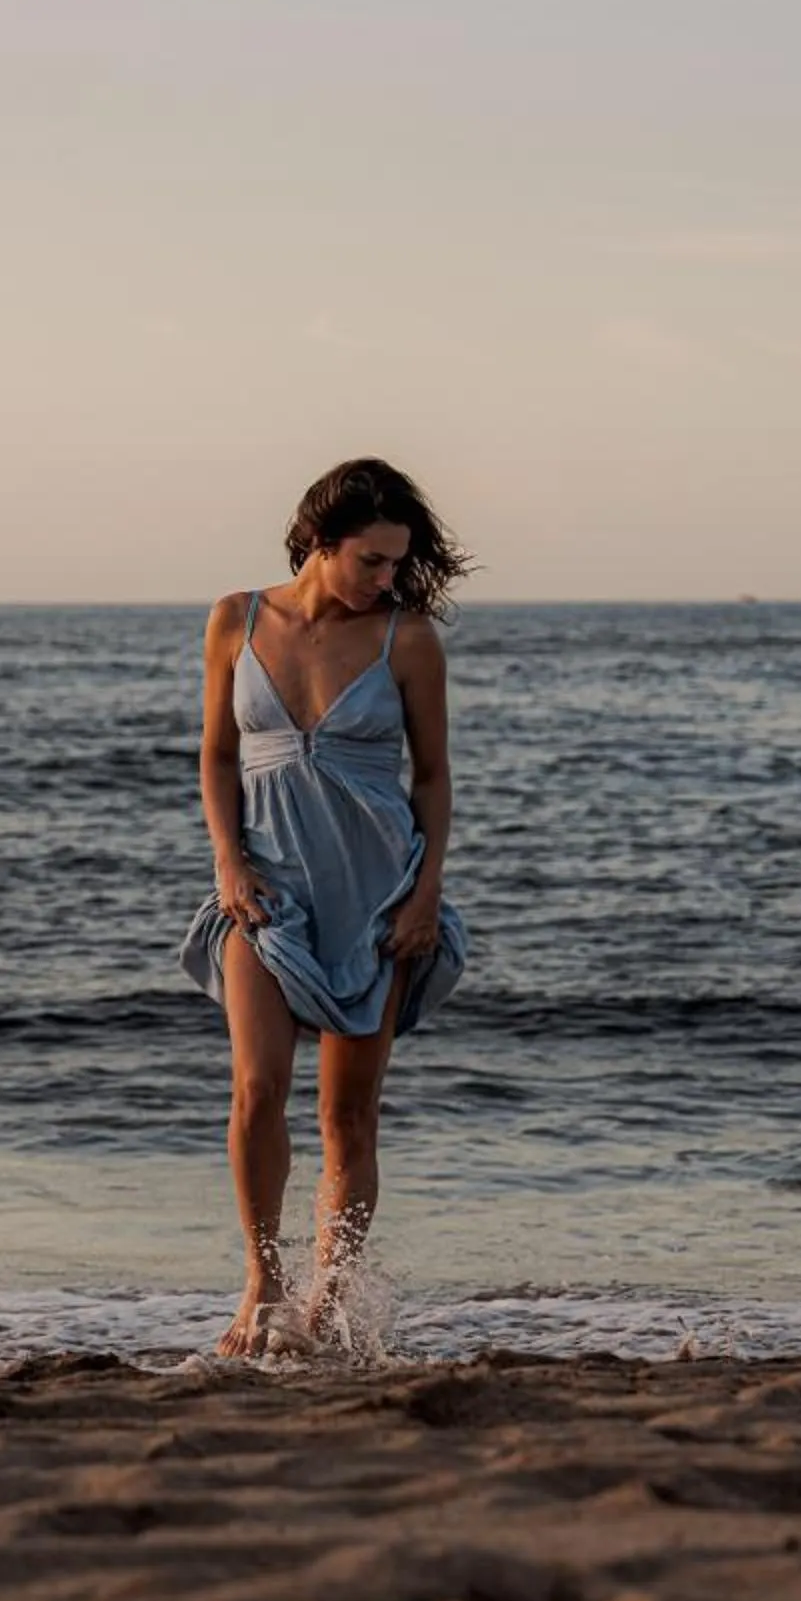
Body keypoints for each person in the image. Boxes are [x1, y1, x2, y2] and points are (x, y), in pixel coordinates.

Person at [179, 458, 472, 1357]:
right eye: (372, 561)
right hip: (265, 889)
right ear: (320, 543)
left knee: (349, 1118)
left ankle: (327, 1308)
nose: (387, 579)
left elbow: (431, 777)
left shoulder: (408, 641)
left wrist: (424, 896)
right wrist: (228, 864)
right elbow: (219, 757)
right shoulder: (237, 618)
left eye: (397, 564)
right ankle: (264, 1285)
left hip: (377, 891)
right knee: (256, 1091)